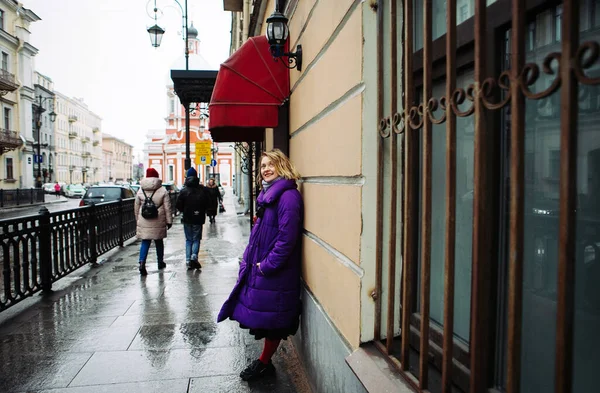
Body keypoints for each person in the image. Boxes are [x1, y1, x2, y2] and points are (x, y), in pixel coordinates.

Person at [217, 149, 304, 381]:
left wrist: (266, 266)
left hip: (275, 271)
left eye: (271, 164)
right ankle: (265, 362)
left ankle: (264, 363)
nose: (265, 169)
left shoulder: (288, 197)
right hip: (263, 267)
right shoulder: (270, 196)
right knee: (265, 318)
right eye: (263, 165)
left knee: (274, 320)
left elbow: (287, 239)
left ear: (282, 165)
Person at [134, 168, 172, 276]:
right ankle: (160, 262)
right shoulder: (162, 190)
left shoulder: (141, 190)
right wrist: (169, 221)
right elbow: (167, 207)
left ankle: (142, 263)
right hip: (158, 218)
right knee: (159, 242)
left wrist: (137, 219)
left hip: (144, 218)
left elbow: (136, 206)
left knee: (145, 242)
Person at [176, 167, 208, 270]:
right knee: (197, 239)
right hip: (198, 218)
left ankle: (188, 260)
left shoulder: (183, 191)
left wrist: (184, 211)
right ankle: (194, 256)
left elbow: (178, 205)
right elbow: (206, 203)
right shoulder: (202, 189)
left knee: (189, 239)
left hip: (187, 218)